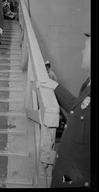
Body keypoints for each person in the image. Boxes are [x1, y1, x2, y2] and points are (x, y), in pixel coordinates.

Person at [40, 29, 91, 187]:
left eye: (86, 47)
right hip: (64, 175)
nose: (82, 51)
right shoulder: (88, 84)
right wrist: (55, 86)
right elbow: (77, 109)